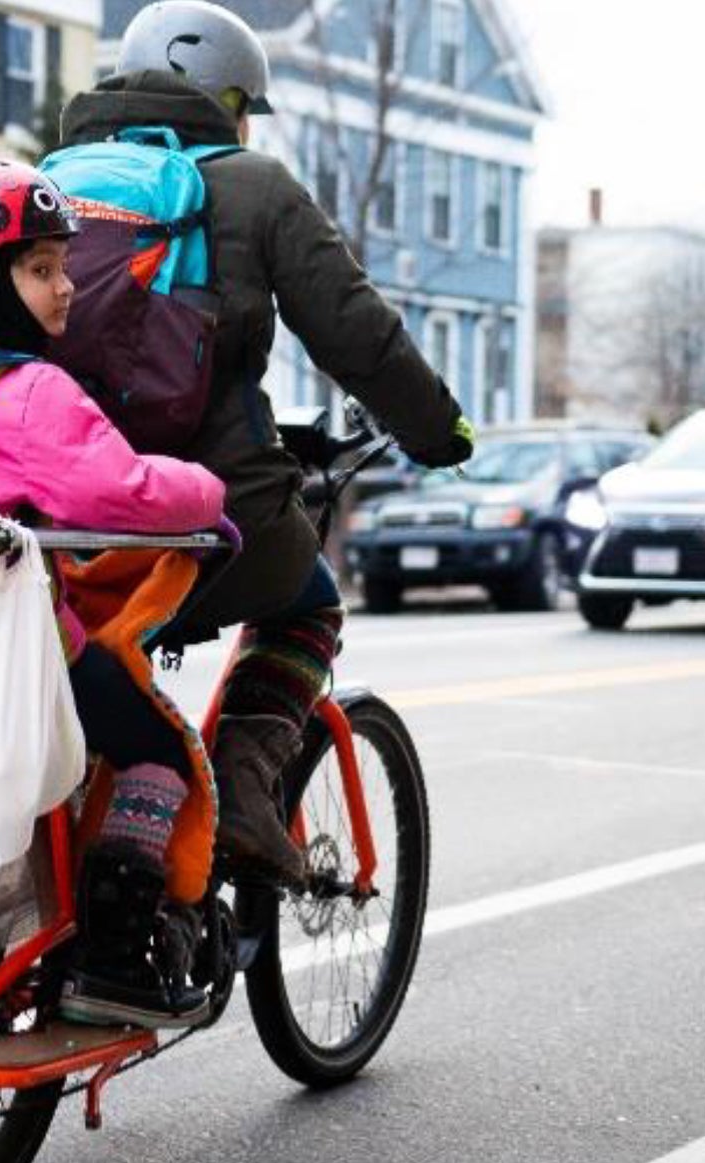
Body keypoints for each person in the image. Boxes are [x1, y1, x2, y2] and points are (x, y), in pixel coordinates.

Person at [59, 0, 475, 888]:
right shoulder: (255, 185)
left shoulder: (52, 181)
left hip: (53, 504)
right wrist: (439, 431)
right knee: (308, 602)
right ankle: (246, 793)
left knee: (79, 649)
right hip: (205, 507)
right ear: (231, 101)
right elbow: (358, 336)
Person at [0, 158, 225, 1026]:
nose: (66, 288)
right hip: (9, 650)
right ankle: (114, 956)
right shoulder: (27, 389)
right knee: (153, 749)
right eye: (40, 270)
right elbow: (123, 493)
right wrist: (210, 496)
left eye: (64, 266)